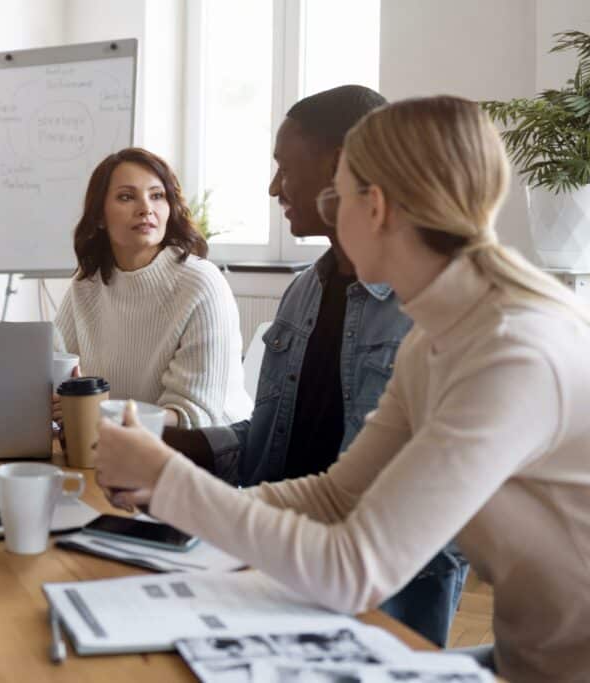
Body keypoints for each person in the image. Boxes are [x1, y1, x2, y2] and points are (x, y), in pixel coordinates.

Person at [95, 95, 590, 681]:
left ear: (374, 207)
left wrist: (168, 480)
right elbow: (336, 495)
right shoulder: (434, 335)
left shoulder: (511, 352)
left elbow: (353, 568)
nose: (327, 211)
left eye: (339, 195)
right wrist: (173, 508)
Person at [161, 86, 467, 647]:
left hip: (371, 604)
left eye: (283, 167)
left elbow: (369, 509)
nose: (274, 186)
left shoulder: (432, 317)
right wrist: (182, 452)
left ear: (340, 171)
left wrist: (183, 494)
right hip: (275, 566)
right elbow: (285, 440)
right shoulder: (304, 291)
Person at [53, 147, 250, 429]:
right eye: (126, 197)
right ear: (99, 216)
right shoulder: (87, 284)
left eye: (157, 195)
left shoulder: (200, 282)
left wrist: (99, 412)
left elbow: (194, 415)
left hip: (210, 453)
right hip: (118, 445)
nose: (146, 208)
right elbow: (55, 369)